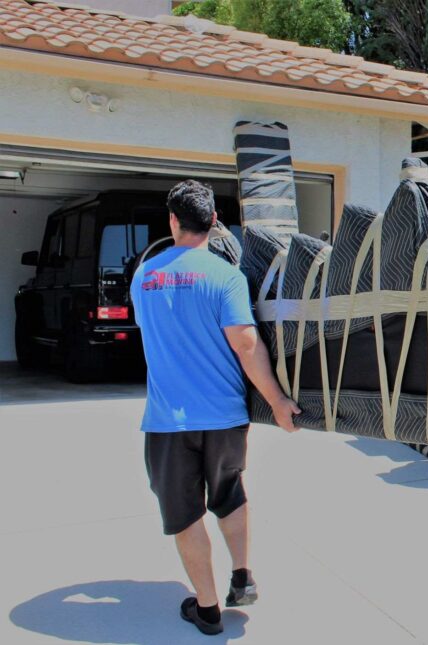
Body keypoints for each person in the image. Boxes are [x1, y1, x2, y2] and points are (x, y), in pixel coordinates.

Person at [131, 180, 301, 636]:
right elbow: (247, 346)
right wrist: (279, 402)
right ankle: (241, 575)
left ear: (171, 221)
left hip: (169, 421)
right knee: (229, 493)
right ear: (213, 223)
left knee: (185, 513)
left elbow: (151, 332)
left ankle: (206, 610)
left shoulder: (143, 276)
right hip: (226, 415)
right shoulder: (226, 277)